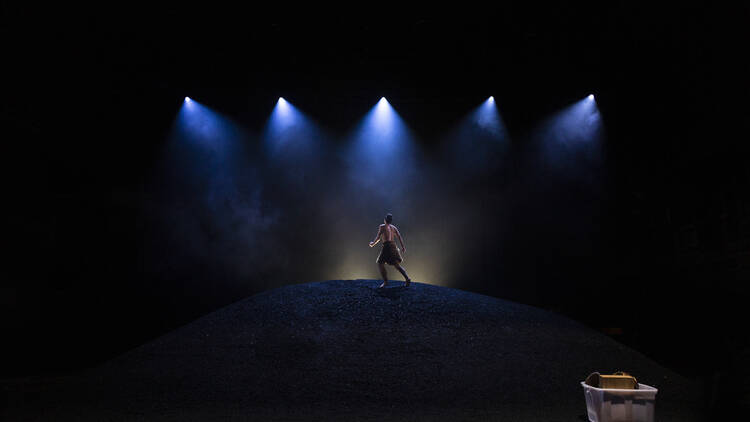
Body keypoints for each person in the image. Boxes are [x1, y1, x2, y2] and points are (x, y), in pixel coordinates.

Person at [369, 213, 411, 288]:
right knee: (397, 265)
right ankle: (407, 278)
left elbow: (378, 237)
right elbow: (399, 237)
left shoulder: (382, 226)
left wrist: (372, 244)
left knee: (380, 263)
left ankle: (385, 282)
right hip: (393, 246)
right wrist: (403, 247)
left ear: (385, 220)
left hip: (387, 246)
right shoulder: (394, 228)